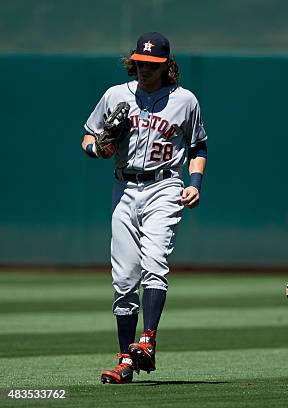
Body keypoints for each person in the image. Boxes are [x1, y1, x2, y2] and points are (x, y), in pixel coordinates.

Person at [81, 32, 208, 384]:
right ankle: (125, 360)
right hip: (123, 187)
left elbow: (198, 147)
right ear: (132, 61)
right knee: (123, 280)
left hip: (165, 186)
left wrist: (194, 184)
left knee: (155, 263)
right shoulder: (115, 95)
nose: (145, 70)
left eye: (152, 65)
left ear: (167, 65)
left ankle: (147, 341)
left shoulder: (185, 101)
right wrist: (98, 149)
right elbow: (89, 137)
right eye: (140, 63)